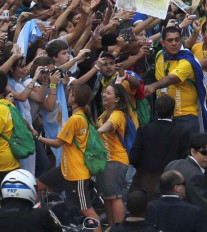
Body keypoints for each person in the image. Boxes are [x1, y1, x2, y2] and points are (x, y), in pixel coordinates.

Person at [36, 82, 100, 223]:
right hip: (66, 169)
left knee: (87, 211)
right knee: (38, 185)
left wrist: (38, 137)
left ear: (74, 97)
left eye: (70, 93)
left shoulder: (75, 119)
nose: (68, 95)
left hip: (76, 173)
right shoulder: (82, 116)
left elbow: (58, 143)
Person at [144, 25, 205, 135]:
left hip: (185, 117)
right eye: (170, 40)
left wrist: (153, 86)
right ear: (163, 43)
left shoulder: (187, 61)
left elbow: (172, 78)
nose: (174, 43)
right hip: (163, 116)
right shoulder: (159, 55)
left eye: (177, 40)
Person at [129, 96, 190, 199]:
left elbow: (134, 157)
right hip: (171, 185)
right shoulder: (182, 133)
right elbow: (184, 159)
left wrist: (143, 169)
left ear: (156, 111)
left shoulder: (144, 130)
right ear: (173, 111)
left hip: (145, 182)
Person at [95, 83, 134, 225]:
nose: (104, 95)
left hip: (115, 160)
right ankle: (112, 227)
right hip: (106, 161)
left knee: (115, 197)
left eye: (108, 93)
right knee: (107, 197)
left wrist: (97, 132)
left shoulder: (117, 114)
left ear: (117, 99)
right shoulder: (105, 113)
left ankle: (119, 228)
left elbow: (110, 125)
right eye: (104, 92)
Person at [163, 132, 207, 219]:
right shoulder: (196, 175)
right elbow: (202, 207)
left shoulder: (172, 164)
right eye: (204, 152)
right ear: (193, 151)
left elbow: (158, 191)